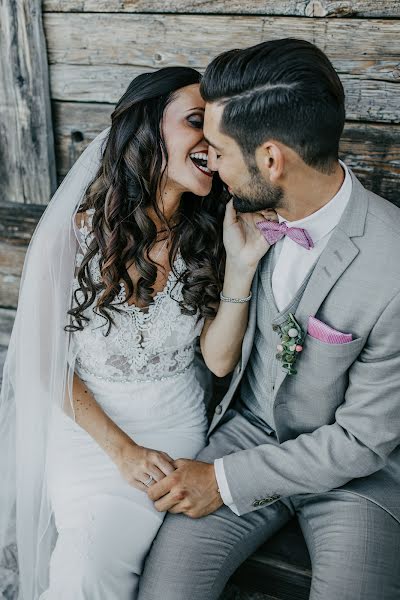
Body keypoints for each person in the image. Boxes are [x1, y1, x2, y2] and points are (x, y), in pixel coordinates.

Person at [137, 40, 400, 600]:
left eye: (220, 149)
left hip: (356, 474)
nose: (209, 162)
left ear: (272, 159)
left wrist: (221, 481)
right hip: (246, 434)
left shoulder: (394, 264)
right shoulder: (234, 212)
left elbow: (362, 439)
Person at [0, 66, 275, 599]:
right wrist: (122, 451)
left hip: (177, 429)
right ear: (149, 129)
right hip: (89, 432)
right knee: (86, 564)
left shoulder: (210, 235)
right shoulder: (74, 235)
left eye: (218, 131)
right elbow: (41, 362)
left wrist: (240, 268)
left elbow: (218, 363)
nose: (211, 142)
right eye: (196, 121)